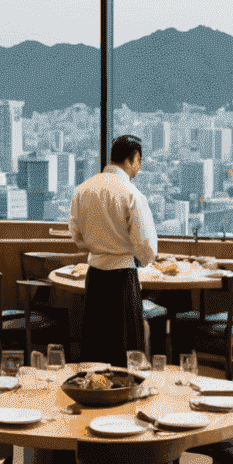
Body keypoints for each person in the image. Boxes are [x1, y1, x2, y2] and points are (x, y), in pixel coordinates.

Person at [69, 134, 158, 367]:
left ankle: (94, 395)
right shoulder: (132, 194)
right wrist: (137, 258)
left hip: (95, 276)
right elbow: (147, 247)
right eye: (140, 160)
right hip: (123, 277)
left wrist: (99, 248)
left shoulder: (83, 190)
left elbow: (77, 237)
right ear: (134, 158)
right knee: (126, 354)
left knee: (95, 348)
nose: (139, 166)